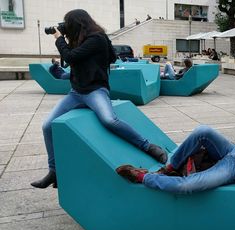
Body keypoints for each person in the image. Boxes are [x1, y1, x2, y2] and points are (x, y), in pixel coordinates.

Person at [31, 9, 167, 189]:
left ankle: (148, 147)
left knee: (109, 120)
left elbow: (70, 57)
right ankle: (54, 171)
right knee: (47, 125)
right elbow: (70, 60)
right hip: (76, 92)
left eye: (68, 24)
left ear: (78, 23)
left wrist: (58, 37)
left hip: (95, 90)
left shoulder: (97, 39)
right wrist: (67, 40)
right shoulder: (81, 41)